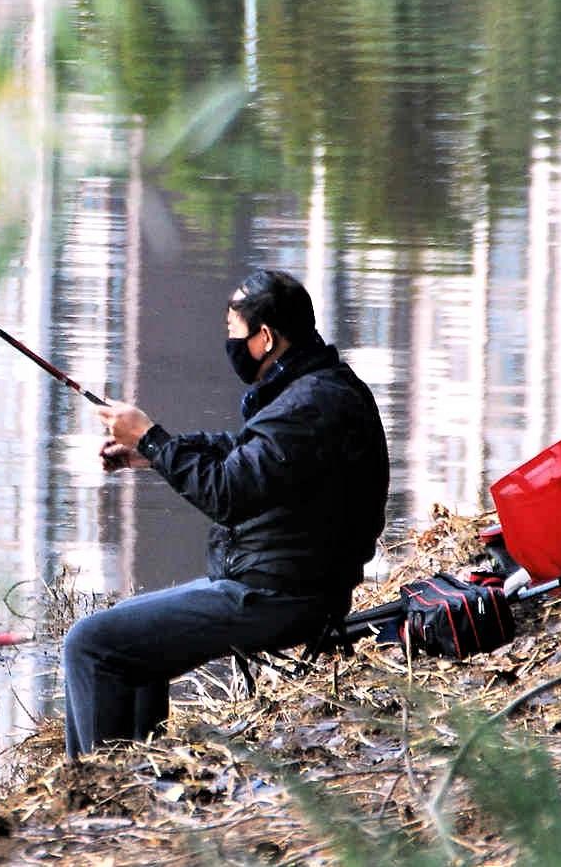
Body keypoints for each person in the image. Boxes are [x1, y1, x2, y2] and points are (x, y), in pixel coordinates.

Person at [63, 269, 389, 759]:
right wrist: (157, 452)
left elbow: (227, 492)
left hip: (278, 595)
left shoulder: (309, 404)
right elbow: (246, 453)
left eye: (233, 331)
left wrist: (151, 436)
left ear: (264, 338)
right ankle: (130, 780)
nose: (228, 341)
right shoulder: (316, 388)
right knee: (129, 647)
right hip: (287, 583)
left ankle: (93, 792)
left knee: (90, 643)